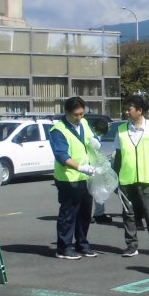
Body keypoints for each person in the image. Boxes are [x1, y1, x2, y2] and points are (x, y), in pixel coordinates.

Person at [114, 94, 149, 258]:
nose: (126, 112)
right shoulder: (121, 130)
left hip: (147, 178)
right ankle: (131, 245)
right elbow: (118, 155)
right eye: (126, 109)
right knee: (128, 214)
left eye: (129, 109)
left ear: (140, 111)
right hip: (126, 179)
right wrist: (115, 177)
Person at [49, 95, 99, 260]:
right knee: (68, 214)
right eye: (75, 115)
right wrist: (80, 167)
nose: (79, 118)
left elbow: (89, 140)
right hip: (68, 178)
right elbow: (61, 155)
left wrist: (94, 142)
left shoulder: (83, 123)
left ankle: (82, 244)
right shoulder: (58, 130)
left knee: (85, 213)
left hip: (85, 177)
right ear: (67, 112)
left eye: (81, 114)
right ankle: (63, 248)